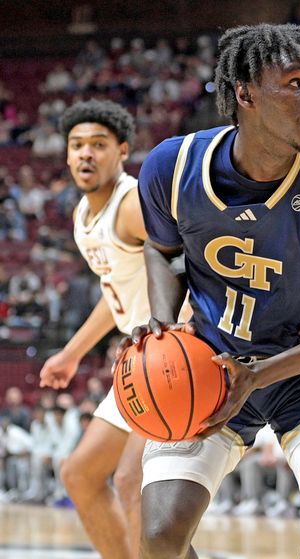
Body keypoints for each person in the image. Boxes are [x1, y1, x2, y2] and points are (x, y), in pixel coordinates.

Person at [130, 23, 300, 559]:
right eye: (296, 83)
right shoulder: (173, 165)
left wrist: (262, 373)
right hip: (210, 363)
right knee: (160, 538)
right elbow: (160, 250)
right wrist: (164, 321)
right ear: (245, 94)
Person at [37, 100, 149, 559]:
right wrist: (72, 353)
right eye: (77, 145)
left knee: (132, 480)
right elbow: (116, 290)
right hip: (139, 359)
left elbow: (197, 259)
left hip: (174, 356)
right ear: (65, 155)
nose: (86, 154)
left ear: (121, 151)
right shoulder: (85, 216)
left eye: (98, 145)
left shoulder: (133, 204)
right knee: (80, 474)